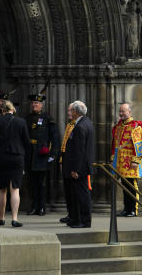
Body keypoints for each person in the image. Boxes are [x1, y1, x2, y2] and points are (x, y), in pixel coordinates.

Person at [0, 99, 30, 227]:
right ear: (13, 109)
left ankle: (1, 217)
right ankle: (14, 218)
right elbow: (27, 142)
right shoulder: (21, 122)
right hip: (17, 157)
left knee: (1, 189)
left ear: (2, 110)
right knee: (15, 189)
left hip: (1, 157)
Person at [62, 100, 95, 228]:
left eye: (71, 110)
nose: (70, 112)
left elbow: (79, 151)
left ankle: (84, 221)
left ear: (75, 112)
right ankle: (76, 219)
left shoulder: (81, 126)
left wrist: (75, 169)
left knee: (82, 195)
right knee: (77, 194)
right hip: (83, 166)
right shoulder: (86, 123)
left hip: (80, 167)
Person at [111, 102, 142, 217]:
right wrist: (113, 159)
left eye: (123, 111)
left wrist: (136, 161)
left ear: (129, 112)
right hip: (120, 162)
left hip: (131, 162)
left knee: (132, 186)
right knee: (124, 186)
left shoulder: (136, 127)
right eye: (120, 111)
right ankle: (126, 209)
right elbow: (115, 145)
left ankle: (133, 210)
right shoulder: (118, 127)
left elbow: (140, 145)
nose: (121, 113)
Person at [25, 94, 59, 216]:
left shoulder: (47, 118)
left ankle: (42, 207)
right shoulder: (27, 118)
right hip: (30, 154)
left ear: (41, 105)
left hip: (42, 155)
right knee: (32, 183)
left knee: (42, 184)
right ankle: (34, 206)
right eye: (33, 103)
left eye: (37, 103)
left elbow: (54, 137)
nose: (35, 105)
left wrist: (53, 153)